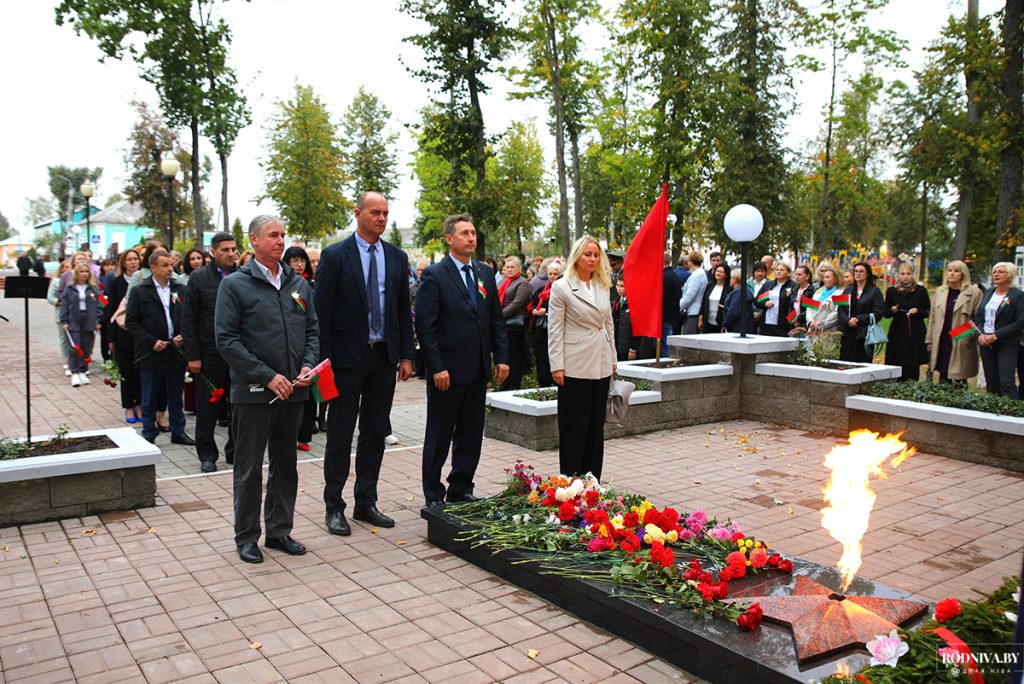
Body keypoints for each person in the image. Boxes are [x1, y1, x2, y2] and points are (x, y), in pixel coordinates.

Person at [215, 215, 319, 563]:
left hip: (294, 391)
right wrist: (265, 375)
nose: (280, 241)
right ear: (254, 240)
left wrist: (307, 365)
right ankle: (246, 536)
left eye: (283, 235)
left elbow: (312, 332)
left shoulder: (298, 284)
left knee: (286, 463)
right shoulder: (235, 285)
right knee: (248, 468)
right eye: (273, 235)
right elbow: (226, 341)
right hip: (254, 393)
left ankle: (279, 530)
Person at [314, 193, 415, 535]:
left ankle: (366, 501)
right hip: (344, 360)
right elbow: (321, 313)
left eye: (386, 213)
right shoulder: (335, 256)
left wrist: (406, 355)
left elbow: (402, 311)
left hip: (382, 358)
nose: (382, 218)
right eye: (375, 213)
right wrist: (323, 360)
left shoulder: (397, 258)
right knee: (340, 434)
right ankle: (334, 506)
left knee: (374, 432)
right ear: (357, 214)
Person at [416, 214, 509, 506]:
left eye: (473, 233)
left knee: (470, 434)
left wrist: (502, 357)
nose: (471, 238)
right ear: (449, 239)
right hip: (448, 372)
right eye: (465, 233)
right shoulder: (434, 275)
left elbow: (495, 319)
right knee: (440, 434)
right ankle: (433, 493)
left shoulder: (483, 273)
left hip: (478, 369)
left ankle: (461, 486)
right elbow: (426, 327)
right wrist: (436, 366)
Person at [548, 235, 617, 480]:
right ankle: (570, 480)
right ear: (577, 256)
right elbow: (554, 329)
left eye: (596, 255)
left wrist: (613, 357)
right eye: (587, 254)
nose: (592, 259)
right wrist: (557, 365)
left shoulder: (603, 284)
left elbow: (608, 323)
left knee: (594, 427)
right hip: (574, 364)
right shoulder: (562, 286)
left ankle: (592, 480)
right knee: (573, 426)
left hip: (600, 362)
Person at [125, 249, 195, 446]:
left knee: (175, 394)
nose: (169, 269)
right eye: (165, 265)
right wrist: (150, 341)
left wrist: (183, 335)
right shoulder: (141, 291)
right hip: (152, 351)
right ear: (153, 267)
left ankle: (178, 431)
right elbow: (132, 322)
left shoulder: (180, 289)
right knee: (149, 394)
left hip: (175, 350)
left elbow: (188, 316)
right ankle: (148, 431)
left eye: (171, 265)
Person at [181, 232, 238, 473]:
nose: (231, 254)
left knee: (238, 405)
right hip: (209, 352)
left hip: (238, 354)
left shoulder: (242, 276)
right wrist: (193, 355)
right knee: (208, 407)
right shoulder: (198, 279)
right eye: (225, 250)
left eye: (233, 249)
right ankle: (207, 454)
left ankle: (235, 452)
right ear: (213, 252)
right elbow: (188, 319)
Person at [283, 245, 318, 451]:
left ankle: (304, 435)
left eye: (301, 260)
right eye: (294, 261)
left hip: (309, 344)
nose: (298, 264)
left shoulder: (310, 285)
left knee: (309, 392)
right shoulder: (285, 285)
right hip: (289, 345)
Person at [972, 262, 1024, 399]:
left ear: (1010, 276)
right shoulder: (989, 292)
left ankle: (1013, 416)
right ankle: (993, 414)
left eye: (1001, 272)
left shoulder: (1018, 296)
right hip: (986, 343)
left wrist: (996, 335)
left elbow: (1020, 322)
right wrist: (980, 334)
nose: (996, 274)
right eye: (994, 271)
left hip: (1006, 343)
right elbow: (978, 316)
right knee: (992, 382)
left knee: (1006, 383)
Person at [927, 261, 984, 383]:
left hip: (960, 338)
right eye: (950, 270)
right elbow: (932, 317)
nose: (952, 273)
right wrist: (929, 340)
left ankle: (959, 401)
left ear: (963, 274)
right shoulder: (940, 291)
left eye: (956, 271)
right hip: (941, 337)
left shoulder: (974, 293)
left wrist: (962, 335)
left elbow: (978, 318)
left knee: (959, 375)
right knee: (942, 373)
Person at [104, 249, 142, 423]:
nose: (133, 262)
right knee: (126, 371)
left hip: (140, 334)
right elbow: (111, 311)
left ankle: (140, 404)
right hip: (122, 334)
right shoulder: (116, 283)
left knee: (140, 372)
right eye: (130, 259)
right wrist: (111, 339)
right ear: (123, 263)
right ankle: (128, 406)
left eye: (136, 259)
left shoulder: (144, 281)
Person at [883, 262, 930, 381]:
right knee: (896, 361)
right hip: (897, 330)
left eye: (908, 274)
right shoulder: (891, 291)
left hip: (915, 330)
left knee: (913, 362)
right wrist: (892, 310)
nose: (905, 276)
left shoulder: (920, 291)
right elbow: (885, 312)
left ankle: (913, 385)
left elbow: (928, 311)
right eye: (902, 274)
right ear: (898, 275)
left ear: (912, 274)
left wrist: (918, 311)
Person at [59, 263, 101, 387]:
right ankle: (75, 371)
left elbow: (99, 305)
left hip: (89, 319)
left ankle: (83, 370)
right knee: (74, 346)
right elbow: (64, 305)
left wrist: (98, 320)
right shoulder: (70, 288)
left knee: (86, 346)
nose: (84, 274)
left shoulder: (93, 288)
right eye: (81, 272)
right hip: (74, 319)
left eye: (86, 272)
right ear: (77, 273)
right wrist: (64, 321)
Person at [839, 261, 884, 363]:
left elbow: (878, 313)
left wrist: (859, 319)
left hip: (864, 334)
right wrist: (848, 321)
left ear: (867, 274)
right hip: (847, 333)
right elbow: (840, 309)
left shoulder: (874, 291)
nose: (858, 274)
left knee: (862, 363)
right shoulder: (847, 291)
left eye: (861, 271)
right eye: (856, 271)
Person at [498, 256, 530, 391]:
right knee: (505, 356)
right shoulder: (504, 282)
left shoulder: (522, 283)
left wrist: (499, 315)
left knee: (515, 357)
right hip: (504, 325)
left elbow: (517, 304)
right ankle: (505, 384)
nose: (509, 269)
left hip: (514, 326)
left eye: (512, 267)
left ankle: (514, 385)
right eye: (507, 267)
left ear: (519, 268)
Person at [529, 260, 562, 386]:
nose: (552, 276)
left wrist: (547, 311)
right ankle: (542, 381)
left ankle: (551, 382)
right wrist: (534, 311)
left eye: (555, 274)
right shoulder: (543, 289)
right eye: (550, 274)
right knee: (541, 357)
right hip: (540, 329)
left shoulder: (561, 290)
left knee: (550, 358)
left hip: (553, 330)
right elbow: (532, 303)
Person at [755, 263, 797, 337]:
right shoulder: (768, 284)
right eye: (777, 270)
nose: (778, 271)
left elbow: (792, 303)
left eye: (782, 270)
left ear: (788, 273)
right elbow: (757, 300)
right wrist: (765, 303)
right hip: (767, 324)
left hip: (783, 325)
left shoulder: (792, 286)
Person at [47, 261, 73, 376]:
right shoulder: (56, 281)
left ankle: (75, 359)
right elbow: (50, 297)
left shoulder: (75, 280)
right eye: (66, 267)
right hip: (61, 313)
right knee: (64, 338)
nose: (68, 269)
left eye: (70, 267)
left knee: (74, 338)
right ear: (61, 269)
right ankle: (66, 359)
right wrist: (59, 302)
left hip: (74, 315)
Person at [808, 265, 843, 337]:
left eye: (827, 277)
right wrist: (810, 322)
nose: (824, 280)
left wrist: (821, 325)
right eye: (824, 277)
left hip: (829, 332)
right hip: (813, 331)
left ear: (835, 279)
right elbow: (809, 309)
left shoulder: (841, 293)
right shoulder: (817, 292)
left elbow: (837, 313)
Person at [678, 252, 706, 334]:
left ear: (690, 262)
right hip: (694, 311)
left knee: (688, 339)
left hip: (693, 312)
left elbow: (690, 296)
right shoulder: (700, 273)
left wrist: (679, 306)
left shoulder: (696, 276)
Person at [612, 277, 639, 361]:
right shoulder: (616, 301)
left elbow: (636, 327)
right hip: (616, 344)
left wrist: (633, 348)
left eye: (622, 286)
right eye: (617, 285)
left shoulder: (634, 303)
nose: (619, 289)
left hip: (627, 347)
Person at [699, 263, 730, 334]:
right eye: (717, 271)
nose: (718, 273)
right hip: (707, 322)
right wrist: (700, 319)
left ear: (726, 274)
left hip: (720, 323)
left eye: (721, 272)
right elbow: (703, 303)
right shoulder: (710, 285)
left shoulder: (729, 289)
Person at [722, 268, 754, 334]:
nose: (730, 280)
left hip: (737, 328)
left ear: (734, 279)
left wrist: (725, 324)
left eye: (731, 278)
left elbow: (733, 311)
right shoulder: (744, 289)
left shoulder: (739, 292)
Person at [662, 252, 683, 341]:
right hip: (673, 316)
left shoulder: (665, 277)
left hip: (666, 317)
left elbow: (663, 299)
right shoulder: (673, 275)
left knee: (665, 347)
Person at [791, 265, 817, 329]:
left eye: (800, 275)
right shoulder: (794, 289)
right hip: (792, 323)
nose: (797, 277)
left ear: (807, 276)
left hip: (805, 323)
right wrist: (791, 318)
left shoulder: (812, 290)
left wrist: (798, 318)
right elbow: (790, 305)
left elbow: (810, 309)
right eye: (796, 274)